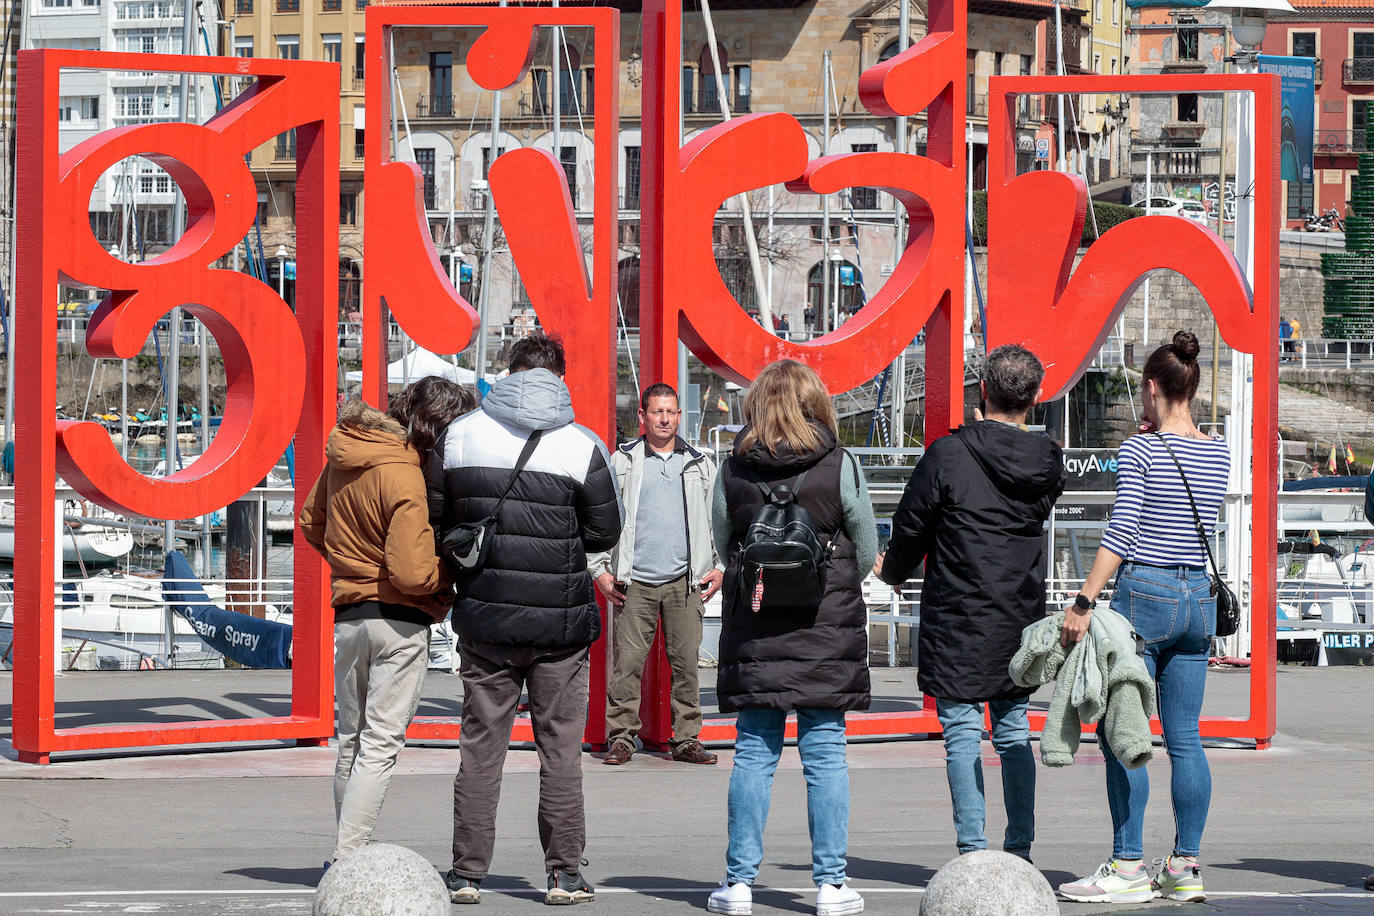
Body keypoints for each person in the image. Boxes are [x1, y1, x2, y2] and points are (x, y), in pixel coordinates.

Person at [429, 333, 622, 906]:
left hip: (485, 621)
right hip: (560, 628)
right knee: (560, 750)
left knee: (480, 747)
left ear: (509, 372)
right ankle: (564, 874)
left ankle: (466, 873)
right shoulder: (582, 445)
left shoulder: (457, 437)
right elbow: (604, 534)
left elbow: (440, 526)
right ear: (559, 377)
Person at [874, 344, 1065, 862]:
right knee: (1012, 729)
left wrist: (891, 570)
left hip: (958, 612)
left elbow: (911, 524)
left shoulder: (949, 454)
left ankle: (972, 853)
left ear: (982, 391)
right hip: (1018, 613)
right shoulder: (1047, 459)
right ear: (1035, 397)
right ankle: (1020, 850)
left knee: (961, 731)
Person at [1058, 330, 1229, 905]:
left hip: (1145, 595)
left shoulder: (1142, 449)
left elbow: (1124, 530)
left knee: (1122, 734)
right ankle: (1184, 866)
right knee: (1186, 737)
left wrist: (1083, 600)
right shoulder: (1218, 450)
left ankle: (1128, 864)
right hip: (1197, 600)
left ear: (1151, 387)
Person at [706, 359, 875, 916]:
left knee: (754, 751)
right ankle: (830, 885)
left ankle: (738, 884)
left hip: (757, 627)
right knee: (825, 752)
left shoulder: (733, 468)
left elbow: (723, 541)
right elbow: (867, 546)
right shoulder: (838, 463)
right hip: (826, 627)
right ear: (814, 402)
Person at [298, 377, 477, 874]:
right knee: (379, 746)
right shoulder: (407, 475)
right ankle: (349, 856)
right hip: (398, 622)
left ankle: (345, 849)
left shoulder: (346, 450)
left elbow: (312, 521)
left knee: (350, 742)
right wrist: (454, 573)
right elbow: (411, 572)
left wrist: (351, 566)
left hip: (349, 615)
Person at [591, 382, 722, 767]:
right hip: (634, 583)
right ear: (643, 417)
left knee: (686, 665)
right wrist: (599, 569)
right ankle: (621, 738)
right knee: (627, 665)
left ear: (679, 417)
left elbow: (719, 522)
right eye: (657, 412)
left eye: (671, 412)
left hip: (686, 582)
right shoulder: (622, 462)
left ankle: (686, 740)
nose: (664, 419)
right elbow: (602, 519)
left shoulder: (701, 463)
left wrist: (720, 568)